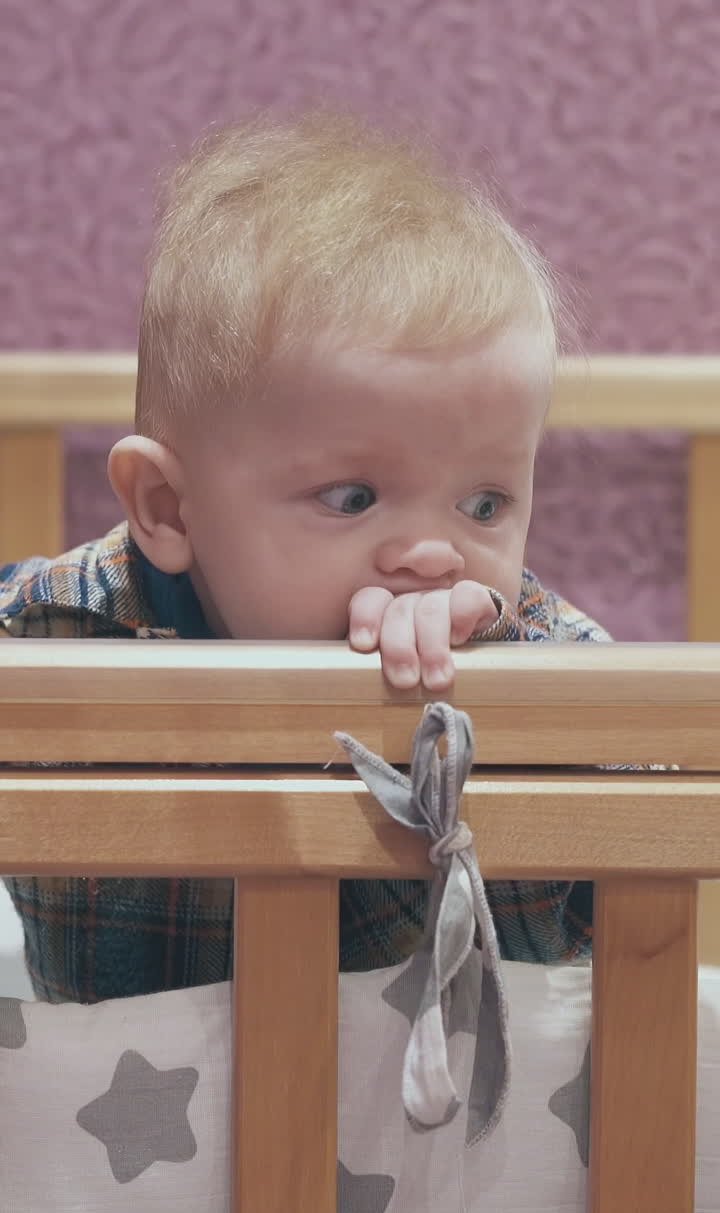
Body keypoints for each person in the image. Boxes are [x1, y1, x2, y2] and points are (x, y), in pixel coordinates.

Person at [0, 111, 607, 1003]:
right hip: (122, 1123)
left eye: (485, 504)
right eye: (354, 497)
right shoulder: (58, 636)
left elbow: (663, 794)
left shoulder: (530, 665)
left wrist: (501, 684)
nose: (436, 554)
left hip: (462, 1131)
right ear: (169, 510)